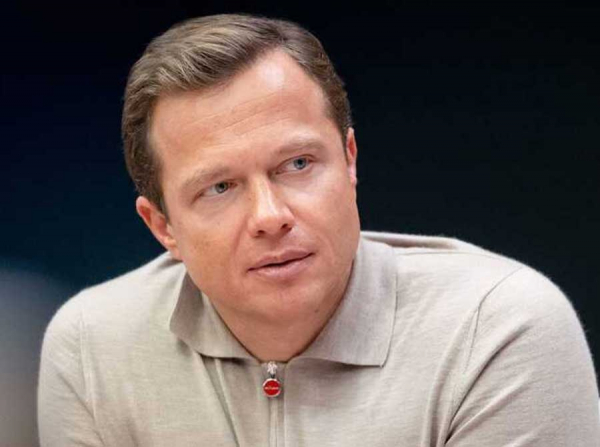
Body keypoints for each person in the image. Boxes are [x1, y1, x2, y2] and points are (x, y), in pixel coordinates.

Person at [38, 13, 599, 446]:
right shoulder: (92, 345)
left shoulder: (497, 329)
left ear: (350, 160)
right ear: (163, 226)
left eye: (298, 164)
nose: (269, 216)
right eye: (220, 187)